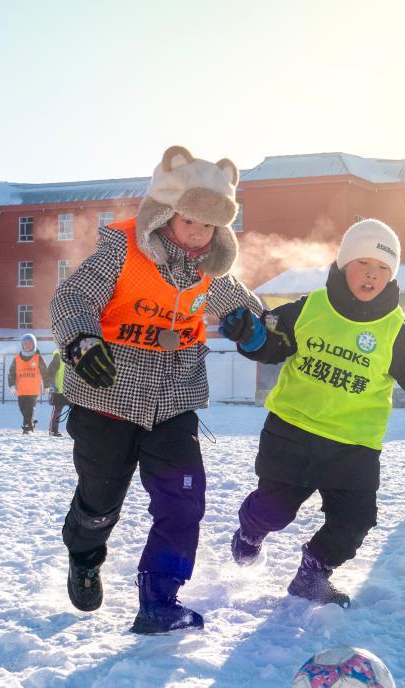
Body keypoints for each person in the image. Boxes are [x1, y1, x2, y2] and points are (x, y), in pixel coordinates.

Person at [49, 145, 262, 633]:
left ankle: (159, 599)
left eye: (208, 226)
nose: (198, 234)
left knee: (184, 502)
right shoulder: (123, 252)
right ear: (165, 214)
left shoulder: (212, 269)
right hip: (107, 398)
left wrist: (260, 331)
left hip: (174, 402)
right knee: (100, 503)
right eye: (189, 221)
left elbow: (252, 312)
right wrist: (81, 342)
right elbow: (72, 297)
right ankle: (84, 556)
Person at [221, 219, 405, 608]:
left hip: (354, 446)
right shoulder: (311, 308)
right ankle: (251, 531)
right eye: (363, 264)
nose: (372, 275)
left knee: (356, 519)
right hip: (292, 433)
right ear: (342, 265)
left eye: (382, 269)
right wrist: (254, 338)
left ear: (391, 278)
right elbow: (273, 344)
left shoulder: (396, 330)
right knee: (274, 510)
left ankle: (313, 574)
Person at [8, 333, 47, 434]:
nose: (27, 345)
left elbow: (45, 372)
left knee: (29, 408)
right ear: (22, 345)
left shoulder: (38, 357)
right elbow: (11, 373)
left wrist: (47, 385)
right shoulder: (16, 358)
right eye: (25, 344)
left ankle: (27, 428)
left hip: (33, 389)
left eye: (30, 343)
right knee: (23, 409)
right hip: (21, 389)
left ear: (34, 344)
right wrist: (12, 385)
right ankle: (31, 422)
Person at [45, 349, 68, 437]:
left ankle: (78, 431)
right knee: (57, 411)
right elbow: (50, 371)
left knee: (78, 411)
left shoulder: (76, 352)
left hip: (72, 389)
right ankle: (53, 431)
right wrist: (51, 384)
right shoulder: (58, 355)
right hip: (59, 390)